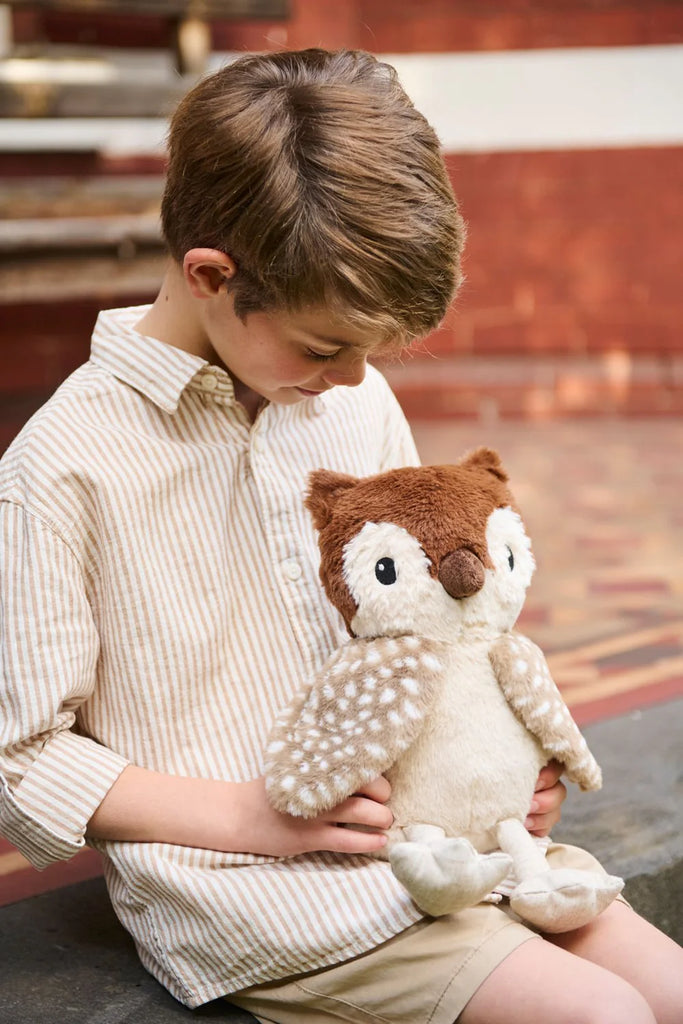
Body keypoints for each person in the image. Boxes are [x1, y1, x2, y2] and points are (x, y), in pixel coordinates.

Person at [0, 48, 681, 1024]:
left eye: (374, 350)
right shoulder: (62, 467)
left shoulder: (348, 403)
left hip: (443, 840)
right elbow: (24, 757)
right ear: (209, 275)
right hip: (264, 893)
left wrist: (504, 766)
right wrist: (253, 817)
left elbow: (429, 632)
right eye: (327, 347)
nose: (358, 378)